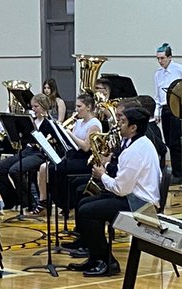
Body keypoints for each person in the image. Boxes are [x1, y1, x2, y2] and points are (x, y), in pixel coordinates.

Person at [67, 106, 161, 277]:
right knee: (84, 202)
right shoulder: (139, 143)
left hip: (140, 205)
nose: (118, 125)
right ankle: (95, 257)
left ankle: (107, 261)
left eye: (122, 122)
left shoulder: (136, 151)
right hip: (132, 197)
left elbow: (120, 189)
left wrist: (102, 175)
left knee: (87, 211)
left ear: (133, 128)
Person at [45, 92, 101, 220]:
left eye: (79, 106)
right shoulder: (79, 122)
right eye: (76, 106)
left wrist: (69, 134)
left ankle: (65, 203)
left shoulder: (94, 124)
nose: (76, 110)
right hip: (74, 155)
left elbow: (86, 146)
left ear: (88, 107)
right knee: (52, 168)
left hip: (86, 159)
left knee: (57, 169)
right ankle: (61, 201)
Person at [0, 93, 52, 213]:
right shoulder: (30, 121)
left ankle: (29, 202)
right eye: (32, 106)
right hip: (28, 151)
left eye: (36, 107)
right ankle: (12, 200)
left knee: (15, 170)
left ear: (43, 107)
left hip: (40, 154)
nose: (33, 109)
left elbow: (48, 144)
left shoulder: (49, 123)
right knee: (1, 168)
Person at [153, 43, 182, 185]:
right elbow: (157, 96)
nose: (160, 62)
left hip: (177, 110)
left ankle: (179, 175)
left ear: (170, 57)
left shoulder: (179, 69)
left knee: (176, 143)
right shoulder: (158, 74)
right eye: (158, 59)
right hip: (165, 110)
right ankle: (175, 170)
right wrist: (157, 112)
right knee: (168, 143)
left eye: (163, 58)